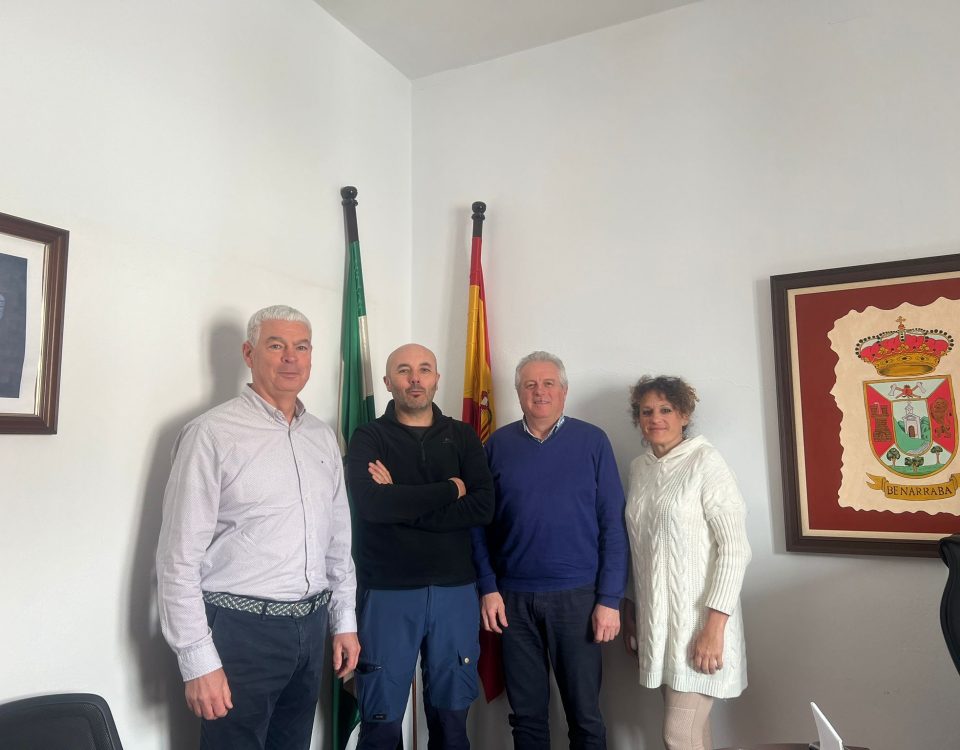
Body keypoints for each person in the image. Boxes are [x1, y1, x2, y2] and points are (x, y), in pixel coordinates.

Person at [156, 305, 360, 750]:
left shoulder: (321, 436)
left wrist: (344, 620)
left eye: (301, 347)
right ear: (249, 354)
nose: (291, 357)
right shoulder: (211, 434)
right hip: (240, 632)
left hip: (311, 628)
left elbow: (337, 540)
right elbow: (177, 558)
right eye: (276, 345)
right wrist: (196, 659)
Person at [472, 351, 628, 750]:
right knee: (526, 719)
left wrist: (610, 599)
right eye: (530, 385)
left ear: (564, 391)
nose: (539, 392)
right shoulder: (497, 445)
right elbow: (479, 525)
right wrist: (488, 587)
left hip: (578, 598)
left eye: (548, 384)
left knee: (585, 716)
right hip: (512, 600)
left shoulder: (593, 441)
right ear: (518, 393)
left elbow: (613, 525)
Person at [346, 343, 495, 750]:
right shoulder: (369, 437)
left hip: (455, 591)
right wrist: (450, 489)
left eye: (424, 369)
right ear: (387, 381)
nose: (415, 378)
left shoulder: (462, 436)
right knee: (381, 722)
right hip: (387, 593)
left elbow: (482, 506)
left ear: (436, 379)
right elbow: (371, 506)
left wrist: (400, 499)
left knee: (452, 723)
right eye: (404, 370)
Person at [623, 376, 751, 750]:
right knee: (694, 733)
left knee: (678, 735)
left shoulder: (706, 462)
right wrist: (632, 610)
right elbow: (640, 546)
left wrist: (714, 627)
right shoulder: (640, 469)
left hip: (700, 626)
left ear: (685, 414)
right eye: (646, 411)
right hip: (658, 626)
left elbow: (735, 549)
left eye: (665, 409)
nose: (655, 418)